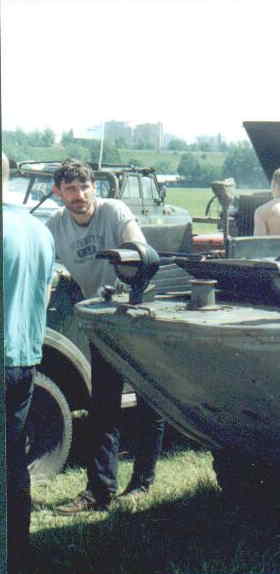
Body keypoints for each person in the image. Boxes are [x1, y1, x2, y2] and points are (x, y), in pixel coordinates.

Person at [46, 159, 166, 513]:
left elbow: (142, 255)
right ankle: (99, 492)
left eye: (84, 187)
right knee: (103, 406)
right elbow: (40, 263)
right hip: (101, 322)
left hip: (137, 315)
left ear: (94, 187)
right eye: (70, 189)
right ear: (58, 192)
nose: (79, 195)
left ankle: (142, 483)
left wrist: (127, 263)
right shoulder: (55, 226)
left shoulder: (114, 211)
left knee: (149, 402)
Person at [3, 152, 55, 574]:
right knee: (13, 459)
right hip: (25, 357)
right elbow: (46, 291)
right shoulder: (39, 229)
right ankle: (18, 552)